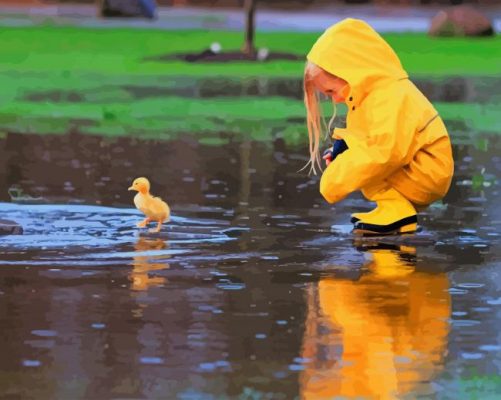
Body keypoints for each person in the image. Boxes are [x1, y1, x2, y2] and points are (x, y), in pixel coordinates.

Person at [303, 18, 454, 235]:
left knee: (367, 164)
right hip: (417, 168)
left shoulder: (390, 95)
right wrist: (342, 149)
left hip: (426, 174)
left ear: (350, 72)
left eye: (331, 91)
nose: (335, 100)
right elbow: (366, 137)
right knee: (361, 160)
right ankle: (393, 208)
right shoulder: (370, 96)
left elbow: (386, 152)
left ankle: (398, 212)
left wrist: (335, 179)